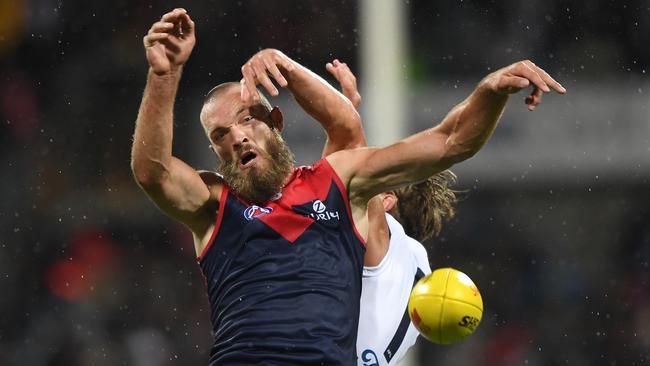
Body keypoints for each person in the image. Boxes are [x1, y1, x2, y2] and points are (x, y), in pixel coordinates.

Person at [131, 8, 565, 365]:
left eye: (247, 120)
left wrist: (488, 91)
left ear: (276, 123)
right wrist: (165, 76)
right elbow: (155, 173)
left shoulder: (337, 181)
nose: (238, 136)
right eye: (220, 135)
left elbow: (450, 141)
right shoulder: (214, 204)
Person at [323, 60, 457, 366]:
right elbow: (331, 195)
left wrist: (345, 121)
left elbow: (341, 187)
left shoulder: (387, 236)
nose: (365, 172)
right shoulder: (414, 262)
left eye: (376, 175)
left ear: (385, 201)